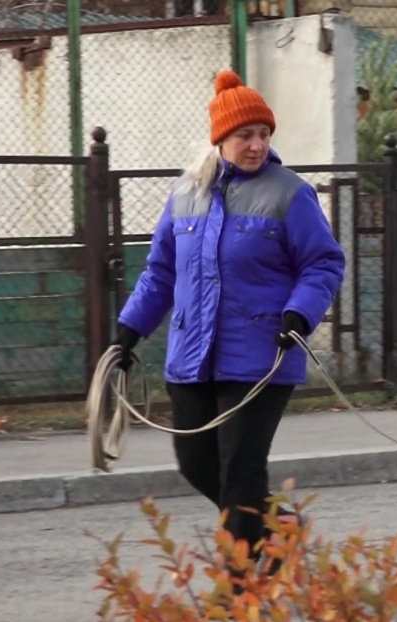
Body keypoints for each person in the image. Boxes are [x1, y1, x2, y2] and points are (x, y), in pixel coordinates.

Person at [112, 69, 346, 582]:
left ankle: (235, 587)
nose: (257, 145)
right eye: (246, 135)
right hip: (192, 357)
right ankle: (281, 527)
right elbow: (161, 272)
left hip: (262, 355)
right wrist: (130, 329)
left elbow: (324, 263)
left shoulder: (290, 194)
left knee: (240, 474)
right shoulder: (185, 195)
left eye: (264, 134)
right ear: (222, 139)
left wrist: (300, 313)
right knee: (197, 464)